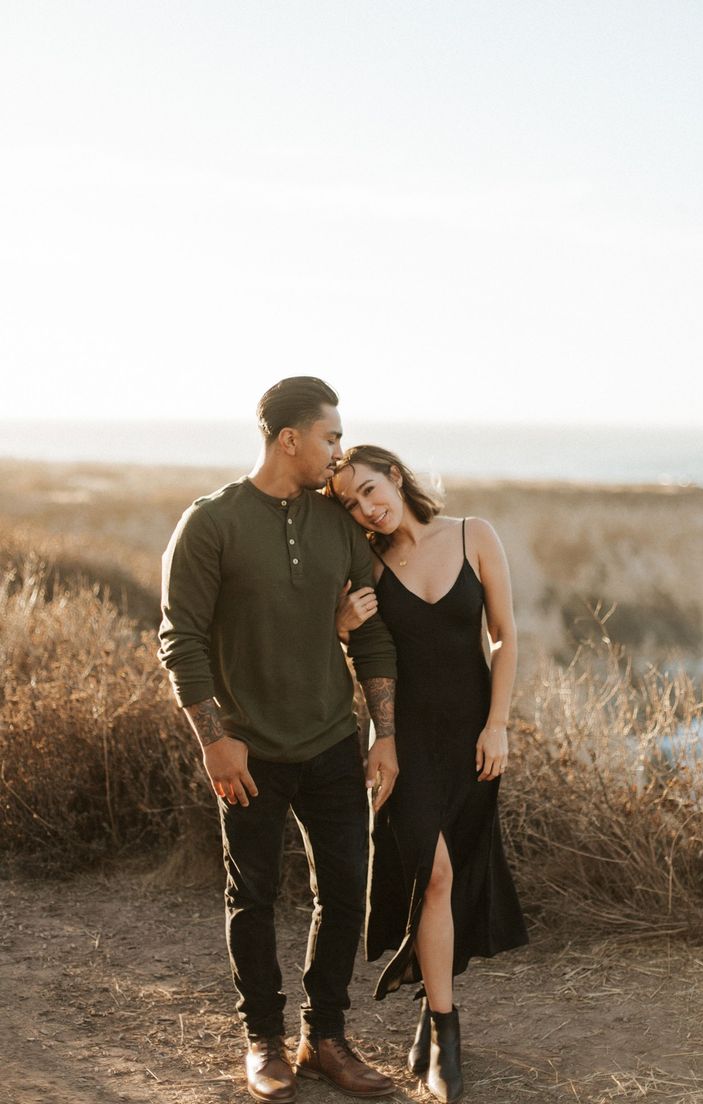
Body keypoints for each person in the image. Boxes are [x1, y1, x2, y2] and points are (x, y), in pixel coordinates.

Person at [158, 379, 400, 1104]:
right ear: (289, 438)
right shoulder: (211, 522)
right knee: (253, 895)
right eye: (330, 437)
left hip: (332, 739)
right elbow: (181, 639)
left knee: (346, 892)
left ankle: (324, 1037)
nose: (338, 450)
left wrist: (384, 733)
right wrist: (214, 740)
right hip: (250, 750)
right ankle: (263, 1038)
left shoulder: (337, 526)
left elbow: (375, 635)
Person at [329, 445, 528, 1104]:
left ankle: (431, 1001)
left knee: (454, 875)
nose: (367, 506)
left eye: (368, 488)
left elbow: (503, 634)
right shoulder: (369, 567)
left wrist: (498, 722)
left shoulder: (474, 534)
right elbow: (353, 655)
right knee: (434, 873)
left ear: (392, 474)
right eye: (351, 503)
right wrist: (340, 624)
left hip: (474, 738)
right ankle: (446, 1034)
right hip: (404, 746)